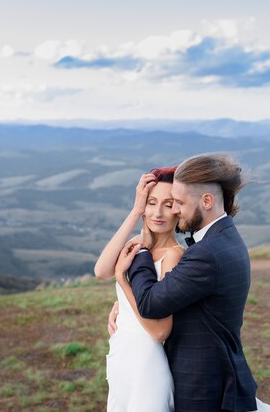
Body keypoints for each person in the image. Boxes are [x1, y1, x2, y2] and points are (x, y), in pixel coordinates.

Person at [114, 154, 270, 412]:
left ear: (207, 200)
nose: (175, 209)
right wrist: (122, 305)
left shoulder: (207, 253)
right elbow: (184, 298)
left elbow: (150, 303)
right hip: (216, 377)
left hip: (203, 387)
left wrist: (142, 252)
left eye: (179, 202)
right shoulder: (225, 238)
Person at [95, 166, 183, 412]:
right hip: (121, 354)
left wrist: (123, 281)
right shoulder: (136, 243)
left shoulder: (173, 256)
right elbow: (101, 271)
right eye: (151, 202)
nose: (158, 213)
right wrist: (135, 211)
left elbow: (160, 332)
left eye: (168, 204)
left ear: (179, 209)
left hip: (146, 363)